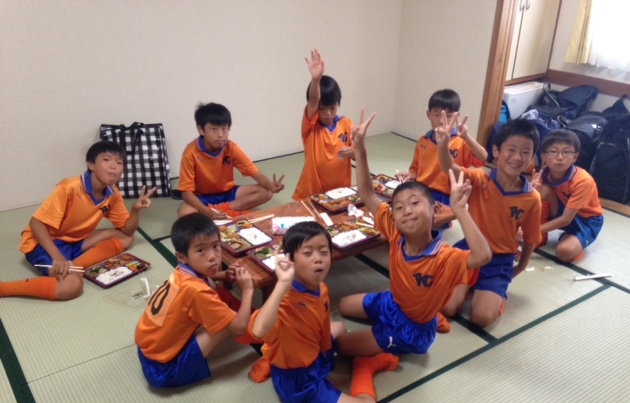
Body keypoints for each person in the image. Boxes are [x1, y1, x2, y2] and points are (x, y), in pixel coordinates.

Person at [335, 108, 491, 357]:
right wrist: (360, 149)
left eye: (415, 203)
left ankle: (414, 332)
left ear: (435, 209)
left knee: (342, 346)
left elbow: (483, 256)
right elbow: (367, 193)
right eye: (398, 207)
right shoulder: (396, 232)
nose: (406, 210)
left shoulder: (444, 257)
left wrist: (461, 210)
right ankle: (429, 315)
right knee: (343, 305)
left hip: (411, 329)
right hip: (392, 303)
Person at [247, 221, 399, 403]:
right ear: (290, 260)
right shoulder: (284, 300)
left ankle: (272, 355)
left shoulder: (321, 288)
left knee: (339, 327)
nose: (318, 259)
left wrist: (326, 362)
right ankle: (364, 367)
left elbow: (323, 327)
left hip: (316, 355)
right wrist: (282, 283)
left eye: (323, 252)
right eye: (307, 253)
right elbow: (257, 330)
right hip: (299, 382)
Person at [0, 141, 156, 301]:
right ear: (91, 164)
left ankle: (75, 264)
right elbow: (36, 223)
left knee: (127, 238)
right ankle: (4, 288)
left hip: (75, 240)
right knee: (71, 287)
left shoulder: (113, 193)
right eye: (106, 160)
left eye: (119, 162)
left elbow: (127, 231)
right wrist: (57, 257)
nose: (113, 166)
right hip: (45, 242)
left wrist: (135, 210)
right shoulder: (68, 188)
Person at [437, 116, 542, 328]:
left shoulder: (532, 198)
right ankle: (470, 284)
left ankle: (493, 295)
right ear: (496, 151)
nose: (517, 157)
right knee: (447, 308)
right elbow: (449, 167)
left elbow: (531, 237)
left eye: (525, 152)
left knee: (482, 318)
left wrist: (521, 266)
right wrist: (442, 146)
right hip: (469, 251)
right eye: (511, 149)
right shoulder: (478, 179)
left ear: (532, 157)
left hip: (499, 260)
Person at [135, 213, 254, 388]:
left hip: (146, 346)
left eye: (215, 246)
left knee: (212, 291)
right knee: (226, 323)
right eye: (201, 250)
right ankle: (264, 336)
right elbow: (238, 328)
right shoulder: (197, 291)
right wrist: (248, 290)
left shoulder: (181, 271)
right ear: (181, 256)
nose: (212, 256)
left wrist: (223, 275)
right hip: (164, 369)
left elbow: (204, 280)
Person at [177, 102, 285, 220]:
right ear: (201, 130)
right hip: (202, 197)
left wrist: (271, 186)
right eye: (214, 129)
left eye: (224, 129)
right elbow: (186, 193)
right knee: (185, 213)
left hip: (228, 193)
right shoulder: (190, 153)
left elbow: (256, 174)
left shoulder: (231, 148)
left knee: (267, 192)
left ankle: (220, 211)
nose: (220, 135)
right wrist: (206, 211)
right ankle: (225, 212)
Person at [396, 89, 487, 206]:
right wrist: (410, 175)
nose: (441, 121)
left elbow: (483, 157)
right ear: (428, 114)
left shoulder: (460, 141)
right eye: (436, 115)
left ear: (456, 116)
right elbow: (416, 170)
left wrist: (466, 136)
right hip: (422, 192)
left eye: (448, 116)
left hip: (449, 196)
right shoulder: (424, 141)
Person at [292, 49, 355, 201]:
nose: (327, 113)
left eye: (332, 108)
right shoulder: (311, 127)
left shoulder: (346, 124)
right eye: (322, 108)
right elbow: (314, 100)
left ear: (338, 104)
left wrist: (352, 153)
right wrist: (315, 80)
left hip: (340, 193)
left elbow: (359, 156)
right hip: (312, 193)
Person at [533, 129, 604, 263]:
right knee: (540, 191)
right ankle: (541, 237)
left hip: (586, 220)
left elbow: (566, 219)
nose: (560, 157)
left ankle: (574, 239)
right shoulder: (541, 174)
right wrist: (530, 191)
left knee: (564, 253)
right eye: (553, 152)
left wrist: (532, 230)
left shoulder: (583, 180)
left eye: (566, 152)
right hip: (563, 210)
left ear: (575, 157)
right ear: (543, 155)